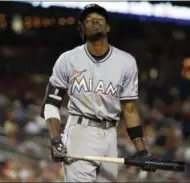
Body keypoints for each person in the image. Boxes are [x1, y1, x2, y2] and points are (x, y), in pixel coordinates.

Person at [40, 4, 158, 182]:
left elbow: (131, 109)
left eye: (99, 19)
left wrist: (142, 151)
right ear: (82, 29)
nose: (94, 22)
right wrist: (56, 140)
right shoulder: (68, 59)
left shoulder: (126, 62)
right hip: (80, 132)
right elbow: (51, 104)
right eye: (88, 20)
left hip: (110, 135)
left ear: (108, 27)